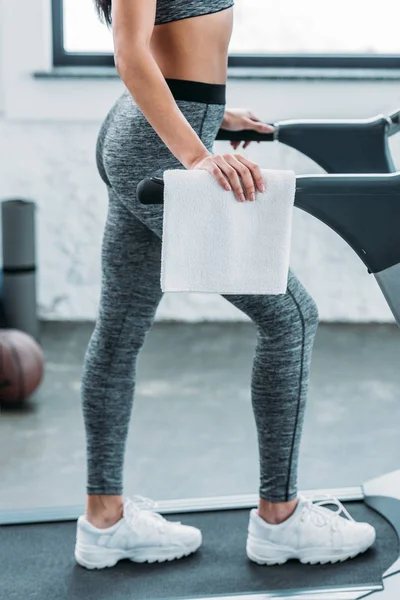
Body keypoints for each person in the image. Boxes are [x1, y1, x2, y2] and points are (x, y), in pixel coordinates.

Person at [74, 0, 376, 570]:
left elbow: (182, 43)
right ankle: (280, 520)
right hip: (157, 146)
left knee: (118, 333)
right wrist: (195, 152)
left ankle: (105, 522)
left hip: (157, 131)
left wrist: (213, 114)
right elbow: (129, 49)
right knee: (292, 316)